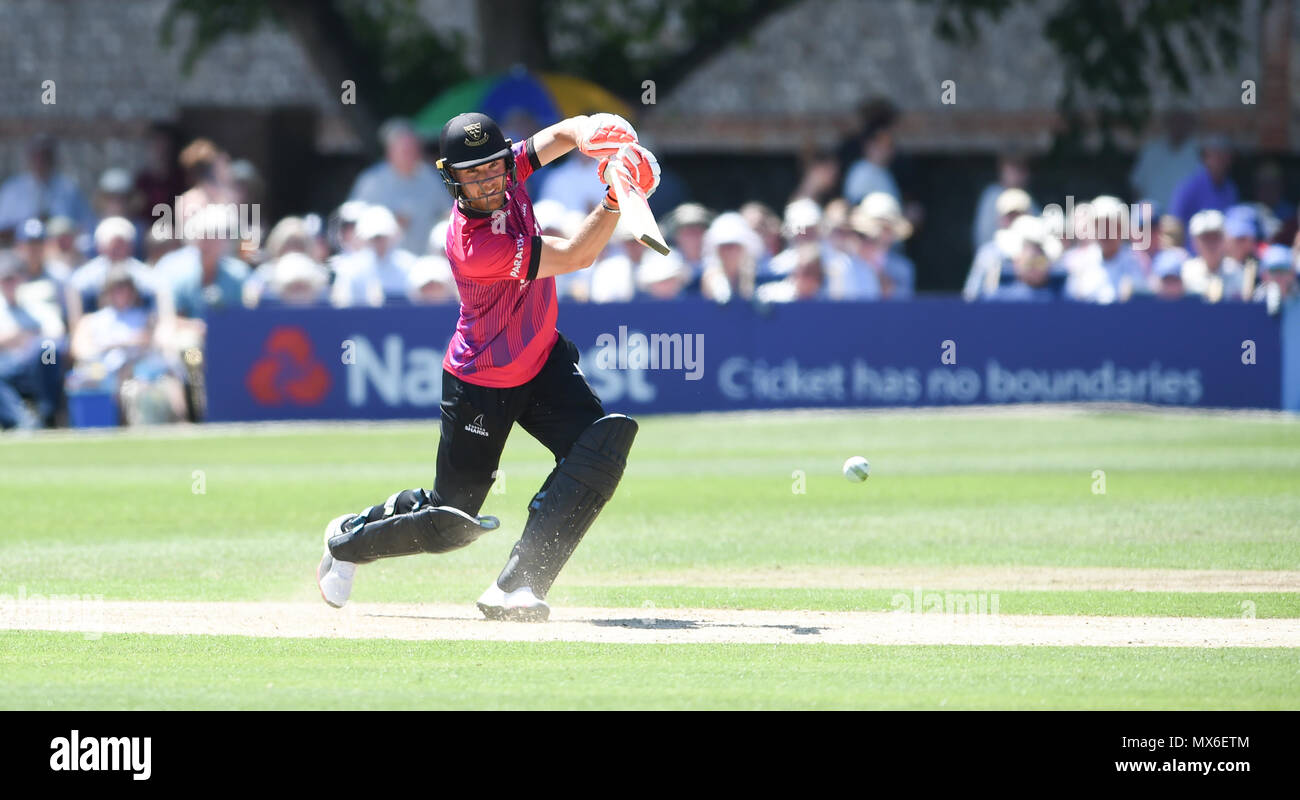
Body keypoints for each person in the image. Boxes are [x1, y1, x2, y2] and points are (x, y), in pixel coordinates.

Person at [315, 111, 656, 621]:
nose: (486, 182)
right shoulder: (474, 245)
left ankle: (520, 584)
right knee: (450, 523)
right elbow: (577, 256)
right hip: (481, 381)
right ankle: (348, 539)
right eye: (471, 174)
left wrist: (597, 139)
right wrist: (613, 198)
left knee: (601, 446)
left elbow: (563, 135)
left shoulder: (506, 170)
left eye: (493, 169)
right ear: (452, 178)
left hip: (542, 361)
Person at [348, 118, 450, 255]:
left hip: (425, 263)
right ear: (389, 152)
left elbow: (449, 211)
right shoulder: (371, 181)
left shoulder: (431, 177)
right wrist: (387, 223)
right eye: (404, 150)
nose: (410, 154)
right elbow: (352, 224)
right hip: (386, 265)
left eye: (413, 148)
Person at [0, 251, 63, 429]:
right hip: (5, 365)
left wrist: (24, 338)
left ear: (21, 280)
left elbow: (56, 333)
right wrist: (16, 336)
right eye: (5, 279)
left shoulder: (37, 306)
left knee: (48, 349)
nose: (9, 284)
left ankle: (47, 413)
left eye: (13, 278)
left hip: (35, 362)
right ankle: (22, 421)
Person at [0, 135, 94, 235]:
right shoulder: (12, 190)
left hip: (59, 247)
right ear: (29, 157)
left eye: (45, 155)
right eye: (36, 155)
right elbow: (3, 227)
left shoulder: (69, 190)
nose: (40, 161)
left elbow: (87, 225)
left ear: (53, 158)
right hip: (20, 247)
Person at [1129, 110, 1201, 212]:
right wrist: (1137, 217)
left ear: (1190, 126)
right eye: (1174, 122)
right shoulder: (1151, 151)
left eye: (1182, 122)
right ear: (1167, 124)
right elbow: (1137, 187)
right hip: (1152, 218)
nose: (1178, 126)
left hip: (1183, 220)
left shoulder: (1197, 153)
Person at [1169, 135, 1239, 233]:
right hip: (1192, 246)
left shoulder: (1230, 188)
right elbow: (1175, 222)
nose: (1220, 160)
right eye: (1216, 155)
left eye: (1224, 155)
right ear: (1206, 158)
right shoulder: (1190, 186)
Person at [972, 153, 1034, 251]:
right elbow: (982, 236)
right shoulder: (993, 195)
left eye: (1021, 169)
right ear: (1002, 170)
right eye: (1013, 168)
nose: (1018, 174)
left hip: (1025, 258)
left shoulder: (1027, 197)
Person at [842, 100, 900, 204]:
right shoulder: (861, 170)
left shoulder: (884, 172)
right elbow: (855, 203)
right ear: (870, 147)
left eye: (889, 146)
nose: (888, 151)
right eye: (883, 146)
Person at [1180, 210, 1244, 302]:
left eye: (1215, 237)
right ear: (1194, 242)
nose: (1211, 244)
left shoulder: (1237, 273)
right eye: (1205, 238)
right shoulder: (1185, 274)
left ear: (1224, 240)